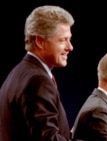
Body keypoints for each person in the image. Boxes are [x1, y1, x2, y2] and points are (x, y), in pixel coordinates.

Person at [0, 5, 74, 141]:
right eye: (63, 40)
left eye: (69, 40)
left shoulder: (17, 74)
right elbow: (47, 138)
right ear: (40, 41)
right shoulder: (37, 80)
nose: (70, 47)